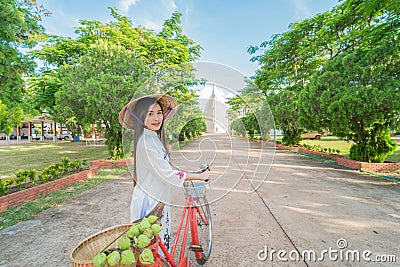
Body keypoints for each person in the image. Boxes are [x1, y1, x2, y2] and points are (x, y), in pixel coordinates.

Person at [119, 94, 209, 250]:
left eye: (159, 112)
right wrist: (199, 176)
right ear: (141, 117)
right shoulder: (146, 143)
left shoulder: (153, 138)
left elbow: (164, 167)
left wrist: (188, 173)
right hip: (149, 203)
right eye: (150, 113)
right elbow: (168, 175)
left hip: (158, 199)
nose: (156, 118)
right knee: (150, 251)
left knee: (159, 246)